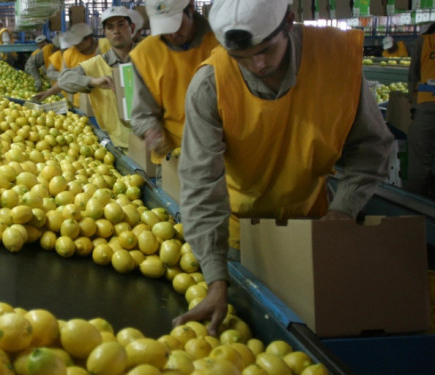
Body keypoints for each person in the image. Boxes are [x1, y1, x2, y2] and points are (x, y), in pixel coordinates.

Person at [173, 0, 394, 335]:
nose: (257, 64)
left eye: (266, 49)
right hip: (242, 236)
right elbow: (201, 183)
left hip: (315, 226)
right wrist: (216, 278)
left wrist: (342, 212)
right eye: (240, 57)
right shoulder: (210, 84)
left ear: (289, 21)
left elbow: (370, 147)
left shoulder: (336, 59)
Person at [129, 0, 220, 166]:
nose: (173, 35)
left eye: (177, 25)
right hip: (174, 157)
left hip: (222, 154)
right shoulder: (144, 55)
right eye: (164, 29)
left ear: (191, 8)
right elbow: (142, 113)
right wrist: (151, 133)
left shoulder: (220, 40)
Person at [56, 6, 137, 147]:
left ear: (132, 28)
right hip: (120, 145)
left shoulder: (149, 58)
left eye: (121, 24)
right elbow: (64, 80)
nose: (116, 31)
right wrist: (93, 81)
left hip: (156, 144)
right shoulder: (95, 65)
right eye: (110, 27)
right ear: (105, 33)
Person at [406, 23, 435, 197]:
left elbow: (413, 77)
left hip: (426, 108)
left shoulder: (423, 42)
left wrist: (414, 105)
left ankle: (416, 210)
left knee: (419, 164)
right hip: (425, 108)